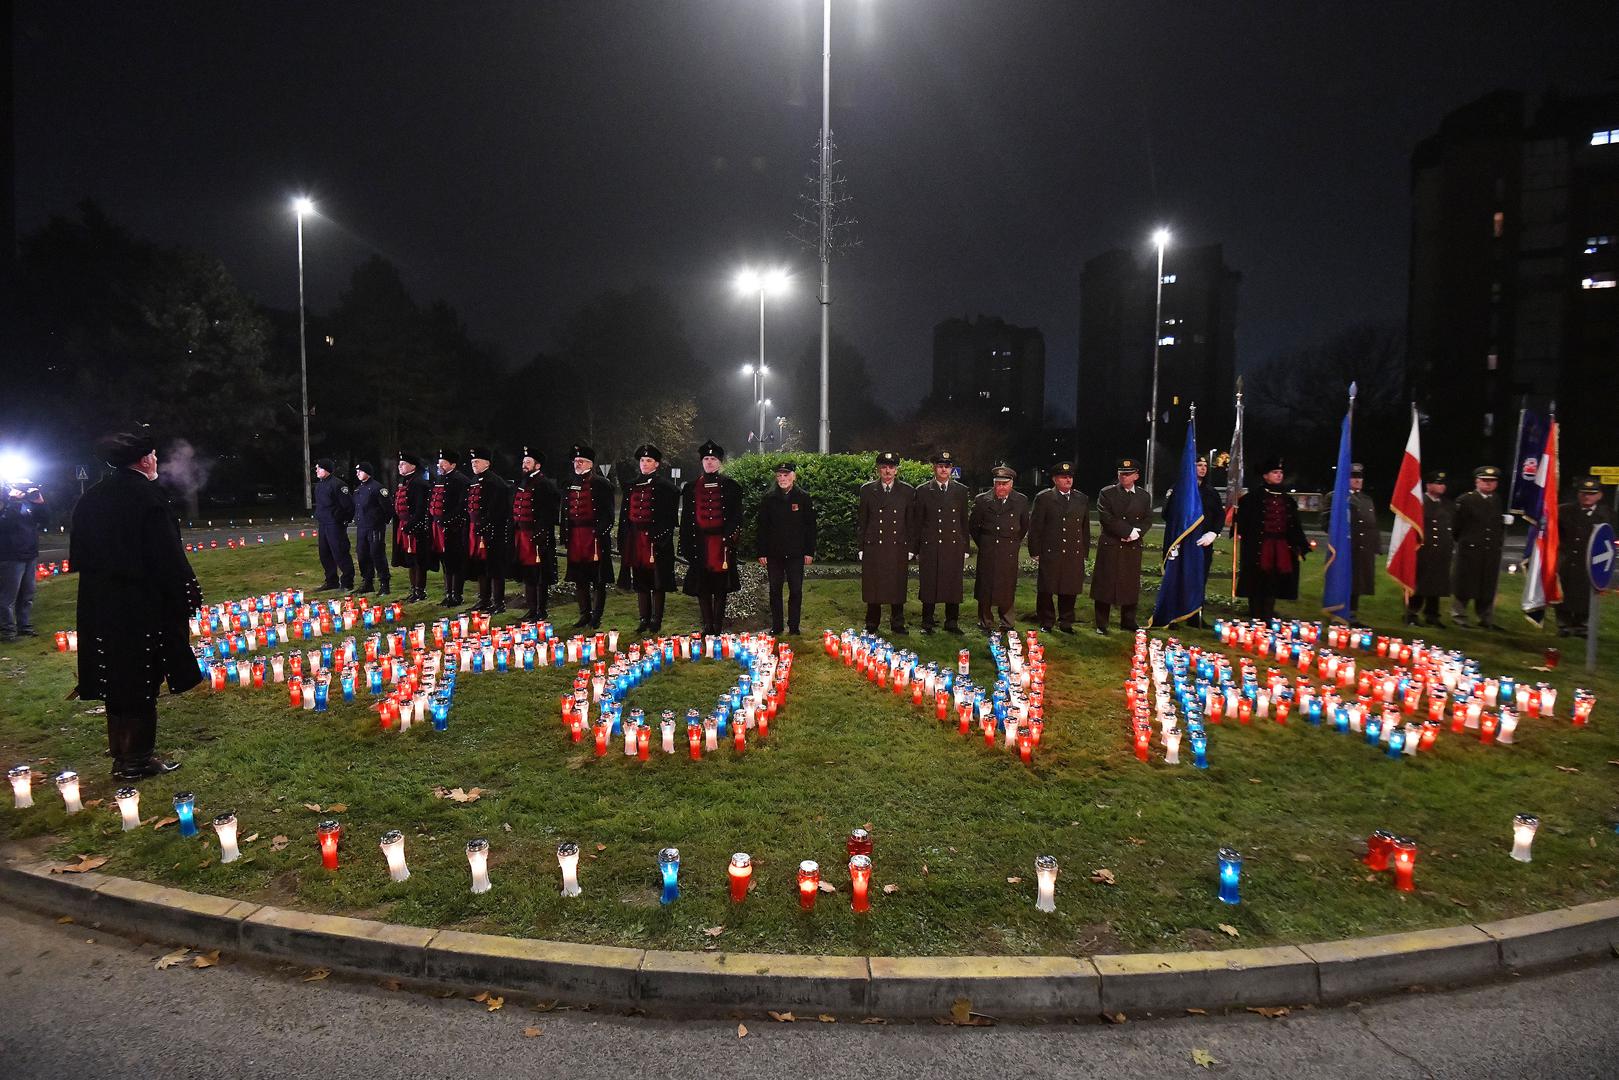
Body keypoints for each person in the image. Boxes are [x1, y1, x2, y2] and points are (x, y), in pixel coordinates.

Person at [70, 432, 202, 779]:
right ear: (144, 460)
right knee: (141, 678)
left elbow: (81, 556)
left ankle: (124, 757)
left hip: (101, 605)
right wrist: (185, 593)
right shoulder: (146, 497)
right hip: (140, 604)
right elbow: (165, 556)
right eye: (154, 456)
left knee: (116, 677)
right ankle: (136, 761)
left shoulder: (92, 497)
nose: (157, 461)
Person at [681, 439, 744, 635]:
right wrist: (685, 545)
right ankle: (707, 625)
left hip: (721, 544)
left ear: (719, 462)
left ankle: (717, 625)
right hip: (700, 543)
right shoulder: (690, 488)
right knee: (703, 586)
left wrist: (729, 539)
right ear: (702, 461)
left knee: (720, 587)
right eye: (706, 458)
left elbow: (736, 516)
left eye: (713, 459)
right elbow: (686, 519)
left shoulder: (732, 486)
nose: (709, 462)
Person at [1234, 456, 1308, 620]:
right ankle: (1255, 613)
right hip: (1259, 547)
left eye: (1280, 472)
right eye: (1275, 472)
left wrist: (1300, 545)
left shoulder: (1287, 500)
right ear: (1265, 475)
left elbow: (1294, 525)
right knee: (1257, 580)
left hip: (1280, 547)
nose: (1279, 475)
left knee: (1274, 581)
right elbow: (1244, 523)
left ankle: (1268, 613)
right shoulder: (1252, 498)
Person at [617, 444, 680, 633]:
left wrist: (659, 537)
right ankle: (643, 618)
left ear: (657, 464)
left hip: (655, 541)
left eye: (649, 461)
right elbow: (624, 515)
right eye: (642, 460)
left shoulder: (666, 488)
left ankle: (656, 620)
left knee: (657, 582)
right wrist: (624, 538)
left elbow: (669, 518)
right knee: (640, 581)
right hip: (636, 539)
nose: (644, 464)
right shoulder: (632, 485)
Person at [1161, 453, 1225, 624]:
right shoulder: (1179, 489)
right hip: (1183, 541)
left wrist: (1213, 533)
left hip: (1203, 542)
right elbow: (1167, 514)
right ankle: (1173, 614)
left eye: (1205, 466)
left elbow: (1219, 515)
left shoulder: (1211, 492)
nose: (1203, 468)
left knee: (1199, 578)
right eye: (1198, 465)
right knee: (1177, 577)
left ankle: (1195, 613)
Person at [1027, 460, 1091, 633]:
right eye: (1064, 477)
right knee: (1047, 588)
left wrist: (1085, 551)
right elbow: (1036, 527)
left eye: (1070, 477)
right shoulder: (1045, 498)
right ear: (1055, 479)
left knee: (1069, 588)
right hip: (1051, 551)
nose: (1068, 480)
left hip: (1073, 551)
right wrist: (1034, 550)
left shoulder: (1081, 498)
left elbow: (1084, 528)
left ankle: (1066, 621)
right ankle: (1046, 620)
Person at [912, 449, 971, 634]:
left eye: (947, 466)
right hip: (930, 545)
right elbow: (917, 522)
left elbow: (963, 521)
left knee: (953, 584)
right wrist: (916, 548)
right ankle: (927, 622)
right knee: (929, 583)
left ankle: (951, 622)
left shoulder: (961, 491)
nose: (943, 470)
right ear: (934, 468)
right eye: (940, 466)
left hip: (953, 545)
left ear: (951, 469)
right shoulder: (922, 490)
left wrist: (966, 546)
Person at [755, 460, 817, 635]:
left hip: (796, 553)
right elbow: (762, 527)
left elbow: (810, 527)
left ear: (793, 477)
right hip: (774, 553)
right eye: (779, 475)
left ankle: (794, 626)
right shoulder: (768, 498)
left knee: (796, 590)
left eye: (786, 475)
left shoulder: (803, 497)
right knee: (775, 590)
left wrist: (809, 552)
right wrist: (761, 551)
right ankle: (777, 626)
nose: (782, 478)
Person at [1091, 457, 1152, 633]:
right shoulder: (1107, 493)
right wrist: (1127, 532)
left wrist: (1137, 533)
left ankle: (1128, 620)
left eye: (1128, 474)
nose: (1123, 477)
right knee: (1105, 583)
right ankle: (1102, 623)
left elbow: (1147, 519)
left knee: (1129, 583)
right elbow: (1106, 517)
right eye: (1121, 474)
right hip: (1111, 543)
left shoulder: (1143, 496)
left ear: (1136, 476)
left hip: (1132, 546)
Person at [857, 451, 913, 635]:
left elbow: (910, 521)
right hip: (874, 545)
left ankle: (897, 623)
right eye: (883, 467)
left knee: (897, 584)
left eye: (891, 467)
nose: (887, 471)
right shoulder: (867, 489)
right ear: (878, 469)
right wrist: (861, 547)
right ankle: (872, 622)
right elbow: (863, 521)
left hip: (897, 545)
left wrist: (911, 547)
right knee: (874, 585)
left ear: (896, 470)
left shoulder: (907, 491)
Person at [561, 444, 616, 628]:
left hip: (594, 537)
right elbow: (565, 511)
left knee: (597, 578)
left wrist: (600, 532)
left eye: (581, 461)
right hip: (576, 536)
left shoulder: (601, 483)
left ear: (590, 464)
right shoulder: (569, 483)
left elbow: (609, 513)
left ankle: (596, 616)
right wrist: (565, 534)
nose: (577, 464)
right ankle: (584, 613)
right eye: (575, 461)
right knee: (580, 577)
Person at [970, 465, 1031, 631]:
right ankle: (985, 621)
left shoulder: (1021, 500)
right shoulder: (982, 500)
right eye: (998, 484)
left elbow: (1024, 525)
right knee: (985, 585)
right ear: (993, 484)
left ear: (1011, 484)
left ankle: (1007, 621)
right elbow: (974, 526)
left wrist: (1011, 542)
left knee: (1007, 584)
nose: (1001, 487)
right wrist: (984, 543)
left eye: (1004, 484)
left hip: (1008, 549)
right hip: (988, 548)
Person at [1320, 462, 1381, 621]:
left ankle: (1352, 612)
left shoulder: (1366, 499)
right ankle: (1338, 611)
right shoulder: (1335, 497)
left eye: (1359, 477)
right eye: (1353, 477)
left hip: (1362, 548)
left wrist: (1376, 546)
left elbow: (1372, 524)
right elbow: (1326, 522)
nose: (1357, 480)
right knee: (1342, 579)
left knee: (1358, 581)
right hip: (1344, 547)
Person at [1556, 476, 1614, 636]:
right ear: (1578, 494)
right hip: (1568, 560)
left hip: (1590, 562)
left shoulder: (1607, 514)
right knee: (1564, 593)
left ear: (1599, 495)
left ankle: (1582, 626)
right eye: (1583, 493)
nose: (1587, 496)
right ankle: (1564, 625)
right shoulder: (1564, 511)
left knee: (1585, 594)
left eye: (1591, 493)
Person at [1451, 465, 1506, 629]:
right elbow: (1456, 526)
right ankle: (1459, 615)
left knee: (1487, 585)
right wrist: (1465, 541)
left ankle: (1486, 618)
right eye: (1485, 481)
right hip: (1470, 550)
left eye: (1492, 481)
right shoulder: (1466, 500)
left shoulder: (1496, 500)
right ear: (1477, 481)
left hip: (1490, 551)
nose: (1488, 484)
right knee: (1465, 584)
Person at [511, 447, 560, 622]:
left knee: (540, 573)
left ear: (537, 465)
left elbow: (550, 512)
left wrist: (541, 533)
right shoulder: (522, 482)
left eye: (528, 462)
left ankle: (541, 609)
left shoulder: (544, 484)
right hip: (522, 535)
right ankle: (531, 608)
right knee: (527, 572)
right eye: (523, 462)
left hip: (537, 536)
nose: (524, 465)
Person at [466, 448, 513, 614]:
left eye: (477, 461)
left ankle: (498, 602)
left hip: (492, 531)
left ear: (487, 463)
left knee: (494, 566)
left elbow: (498, 510)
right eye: (472, 462)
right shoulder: (475, 480)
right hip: (476, 530)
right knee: (480, 565)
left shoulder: (495, 483)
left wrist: (485, 524)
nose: (474, 464)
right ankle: (484, 599)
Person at [1405, 470, 1454, 627]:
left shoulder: (1448, 505)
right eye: (1438, 483)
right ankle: (1412, 613)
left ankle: (1433, 615)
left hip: (1441, 551)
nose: (1441, 486)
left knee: (1437, 584)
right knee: (1419, 584)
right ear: (1428, 485)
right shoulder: (1419, 503)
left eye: (1443, 484)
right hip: (1422, 551)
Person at [0, 476, 45, 642]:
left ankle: (24, 626)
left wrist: (40, 503)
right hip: (11, 556)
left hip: (29, 554)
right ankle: (8, 631)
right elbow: (4, 525)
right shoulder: (6, 503)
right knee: (8, 597)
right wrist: (13, 502)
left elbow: (45, 520)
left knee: (27, 594)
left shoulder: (28, 504)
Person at [429, 449, 473, 607]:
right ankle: (448, 593)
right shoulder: (440, 478)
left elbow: (462, 505)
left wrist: (449, 521)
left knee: (455, 561)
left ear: (452, 464)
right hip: (439, 527)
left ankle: (457, 595)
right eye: (438, 462)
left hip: (454, 528)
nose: (439, 465)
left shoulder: (461, 480)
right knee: (445, 561)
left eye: (443, 463)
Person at [391, 451, 433, 603]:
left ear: (413, 466)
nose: (399, 466)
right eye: (399, 464)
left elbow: (421, 508)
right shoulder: (405, 481)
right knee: (410, 560)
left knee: (418, 560)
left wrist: (412, 524)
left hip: (416, 528)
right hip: (404, 526)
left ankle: (420, 590)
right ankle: (413, 589)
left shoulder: (419, 483)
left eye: (403, 464)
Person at [312, 458, 355, 592]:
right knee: (324, 553)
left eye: (319, 468)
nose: (316, 470)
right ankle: (331, 581)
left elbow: (349, 505)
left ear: (327, 470)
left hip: (335, 524)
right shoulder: (319, 485)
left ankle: (347, 582)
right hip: (323, 523)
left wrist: (343, 520)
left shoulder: (338, 485)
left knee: (340, 552)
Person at [351, 461, 392, 595]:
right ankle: (367, 582)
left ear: (367, 473)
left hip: (375, 527)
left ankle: (384, 583)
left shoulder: (377, 488)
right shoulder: (358, 490)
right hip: (362, 527)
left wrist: (381, 521)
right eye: (357, 471)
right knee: (362, 554)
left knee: (377, 553)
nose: (357, 473)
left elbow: (387, 508)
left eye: (360, 471)